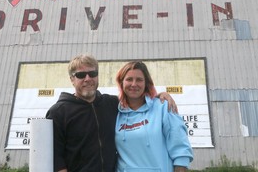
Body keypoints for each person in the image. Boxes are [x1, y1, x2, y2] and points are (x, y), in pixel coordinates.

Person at [46, 54, 178, 172]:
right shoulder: (58, 112)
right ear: (72, 79)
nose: (87, 79)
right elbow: (56, 157)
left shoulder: (112, 104)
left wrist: (159, 96)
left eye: (92, 74)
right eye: (81, 75)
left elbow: (136, 99)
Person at [115, 61, 193, 172]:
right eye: (129, 79)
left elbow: (179, 144)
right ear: (121, 82)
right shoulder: (115, 111)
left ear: (146, 83)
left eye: (139, 80)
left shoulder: (163, 107)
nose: (133, 84)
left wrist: (181, 166)